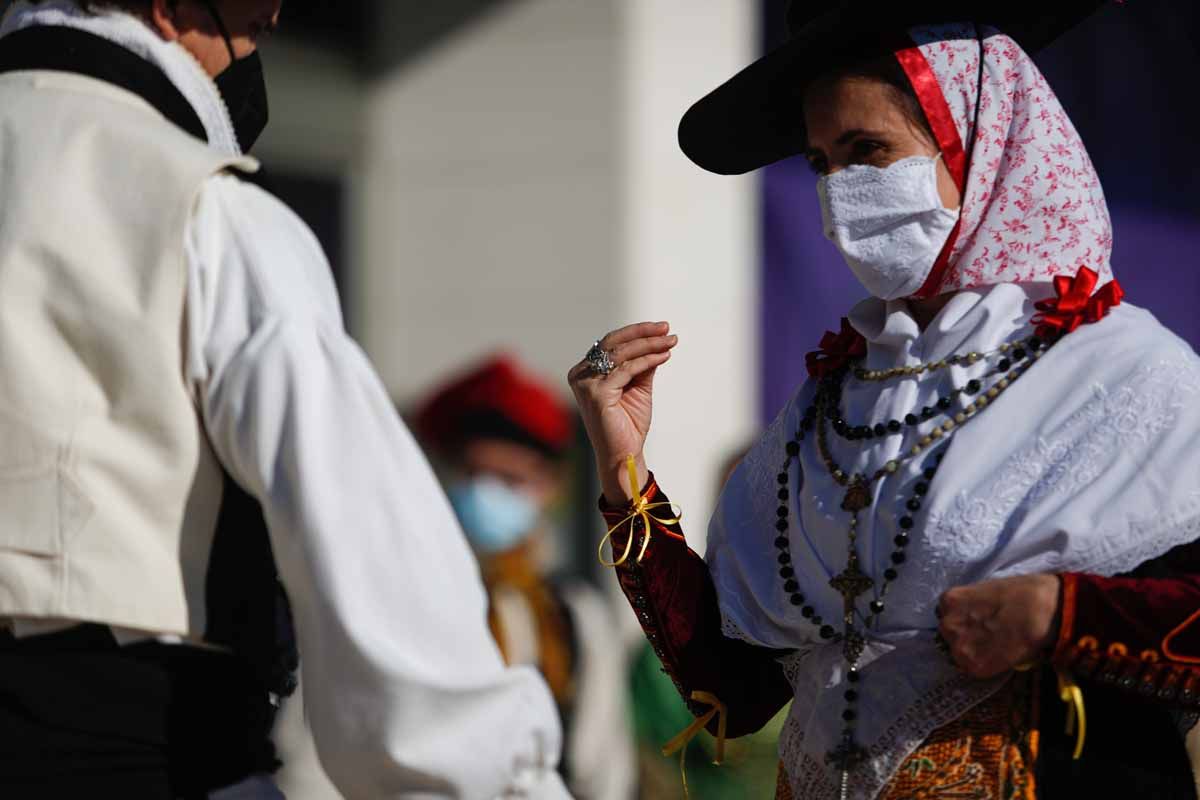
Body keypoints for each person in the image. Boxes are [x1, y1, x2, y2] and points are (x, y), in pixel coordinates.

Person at [568, 3, 1200, 798]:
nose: (843, 192)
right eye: (821, 164)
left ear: (978, 150)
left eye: (869, 151)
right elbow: (732, 694)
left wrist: (1061, 614)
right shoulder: (832, 406)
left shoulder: (1125, 376)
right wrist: (621, 465)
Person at [0, 1, 567, 798]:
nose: (274, 13)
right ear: (168, 7)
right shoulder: (210, 213)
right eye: (253, 7)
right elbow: (368, 561)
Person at [415, 355, 636, 800]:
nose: (486, 494)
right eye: (475, 474)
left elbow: (603, 768)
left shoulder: (574, 615)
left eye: (510, 479)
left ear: (549, 487)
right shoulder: (409, 598)